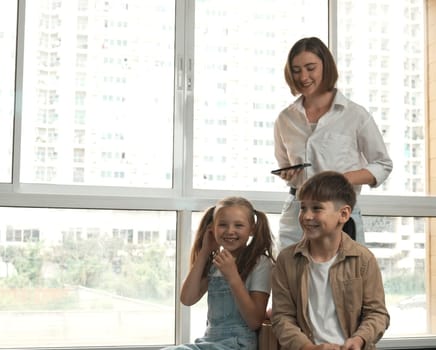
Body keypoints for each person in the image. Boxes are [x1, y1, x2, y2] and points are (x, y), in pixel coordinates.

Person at [273, 36, 393, 249]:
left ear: (326, 68)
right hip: (297, 212)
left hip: (339, 212)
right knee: (290, 279)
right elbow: (285, 165)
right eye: (296, 70)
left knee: (343, 279)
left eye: (311, 68)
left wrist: (342, 179)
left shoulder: (355, 115)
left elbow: (382, 165)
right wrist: (288, 173)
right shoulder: (285, 119)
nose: (303, 76)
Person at [271, 171, 389, 350]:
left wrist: (359, 339)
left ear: (343, 214)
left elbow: (377, 313)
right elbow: (282, 317)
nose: (307, 216)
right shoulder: (286, 260)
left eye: (317, 208)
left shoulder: (364, 259)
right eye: (303, 208)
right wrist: (309, 348)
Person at [163, 197, 275, 350]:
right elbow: (187, 299)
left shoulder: (261, 263)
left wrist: (233, 277)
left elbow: (254, 321)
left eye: (239, 225)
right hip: (210, 341)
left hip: (239, 344)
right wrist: (204, 252)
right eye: (222, 225)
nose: (230, 231)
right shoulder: (215, 263)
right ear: (212, 228)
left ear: (252, 229)